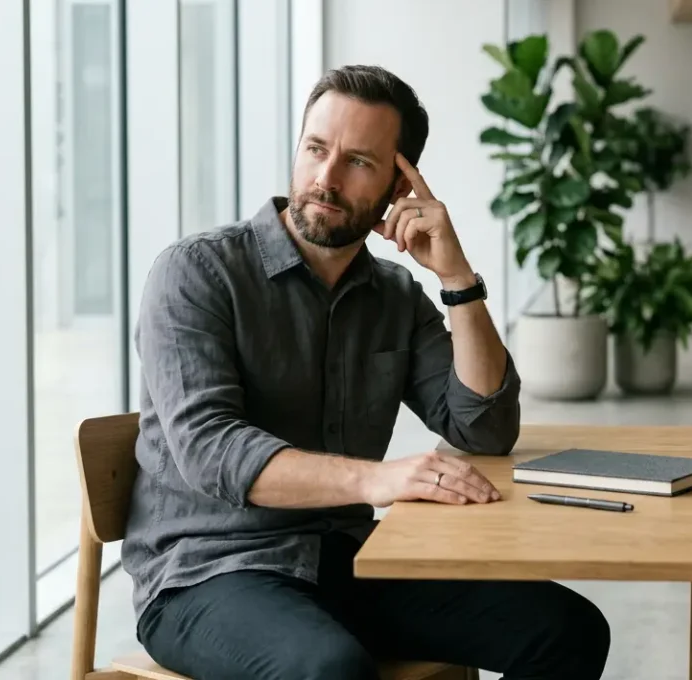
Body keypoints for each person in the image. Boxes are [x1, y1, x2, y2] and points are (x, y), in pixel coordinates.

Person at [122, 64, 611, 680]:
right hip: (207, 574)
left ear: (396, 187)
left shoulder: (393, 294)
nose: (325, 179)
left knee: (566, 631)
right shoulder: (196, 272)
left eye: (357, 162)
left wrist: (457, 280)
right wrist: (378, 481)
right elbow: (212, 451)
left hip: (346, 561)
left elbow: (484, 427)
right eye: (316, 149)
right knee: (331, 669)